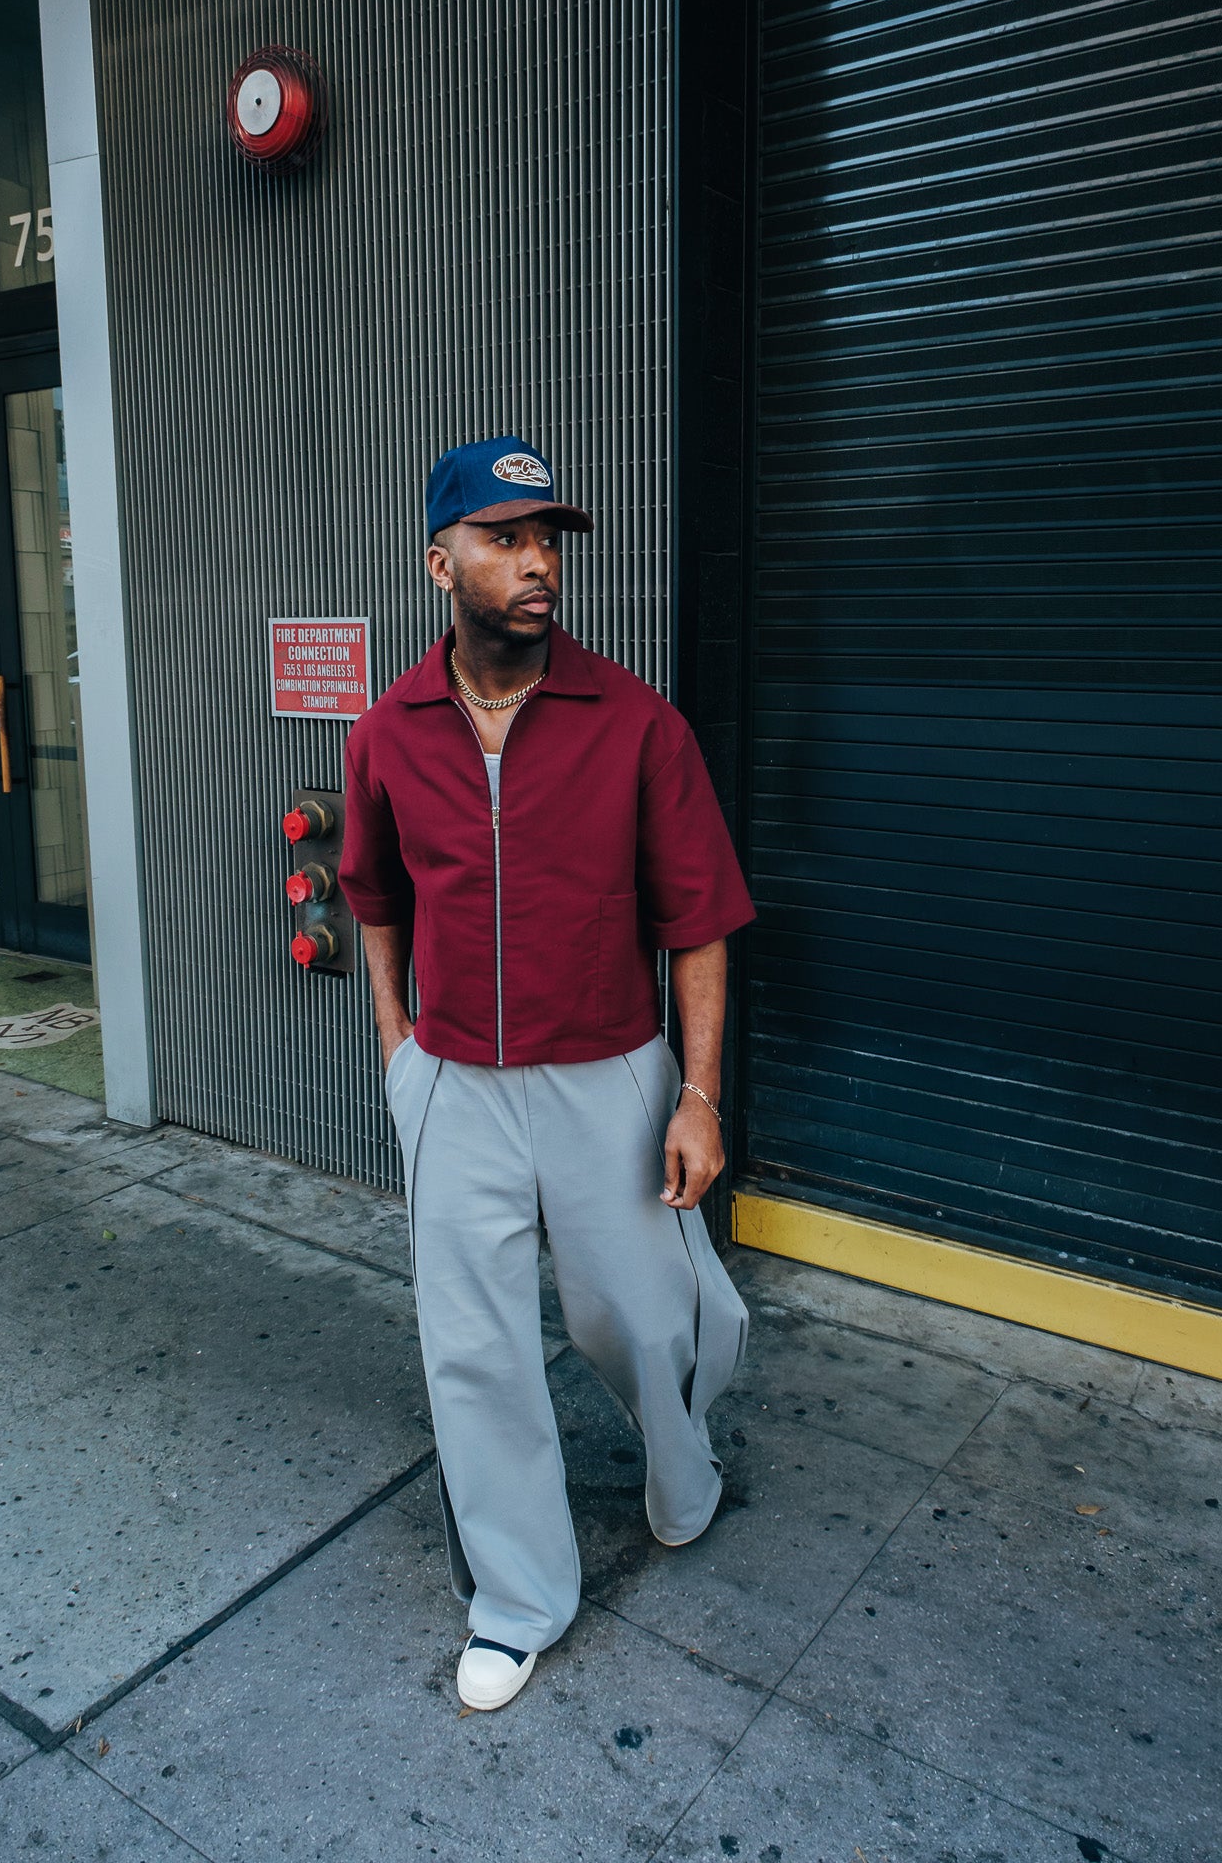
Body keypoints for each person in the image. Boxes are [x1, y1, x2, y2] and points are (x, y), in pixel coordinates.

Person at [338, 435, 755, 1711]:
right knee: (474, 1352)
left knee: (639, 1315)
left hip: (607, 1074)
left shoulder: (635, 721)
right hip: (458, 1085)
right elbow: (375, 900)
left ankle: (682, 1469)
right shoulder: (389, 732)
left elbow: (698, 919)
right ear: (439, 561)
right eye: (508, 538)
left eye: (549, 540)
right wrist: (401, 1053)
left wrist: (697, 1092)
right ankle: (518, 1600)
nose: (537, 563)